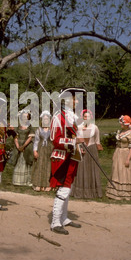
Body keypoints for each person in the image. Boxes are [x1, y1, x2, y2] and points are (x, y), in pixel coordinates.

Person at [49, 87, 85, 235]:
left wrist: (78, 144)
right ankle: (55, 222)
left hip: (72, 157)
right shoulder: (58, 117)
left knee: (68, 188)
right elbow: (55, 139)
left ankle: (63, 218)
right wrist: (73, 141)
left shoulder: (72, 117)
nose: (77, 101)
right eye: (74, 99)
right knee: (63, 189)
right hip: (62, 157)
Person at [71, 109, 103, 199]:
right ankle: (80, 192)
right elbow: (76, 140)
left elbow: (97, 140)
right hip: (82, 149)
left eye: (88, 116)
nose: (86, 118)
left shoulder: (95, 127)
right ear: (83, 117)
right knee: (81, 170)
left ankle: (93, 191)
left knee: (91, 169)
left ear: (91, 117)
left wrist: (98, 148)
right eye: (85, 116)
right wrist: (79, 149)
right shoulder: (79, 127)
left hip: (92, 149)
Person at [106, 115, 131, 200]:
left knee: (125, 172)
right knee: (117, 171)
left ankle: (126, 193)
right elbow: (117, 144)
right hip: (118, 153)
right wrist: (114, 154)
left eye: (123, 123)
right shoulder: (120, 132)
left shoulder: (130, 134)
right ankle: (115, 192)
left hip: (126, 153)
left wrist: (128, 158)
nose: (121, 124)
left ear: (127, 124)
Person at [9, 110, 35, 186]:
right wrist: (18, 146)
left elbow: (30, 138)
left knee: (26, 161)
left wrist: (23, 146)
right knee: (18, 161)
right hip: (19, 147)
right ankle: (17, 181)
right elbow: (15, 137)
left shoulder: (30, 127)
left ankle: (26, 181)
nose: (25, 118)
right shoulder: (18, 127)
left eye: (26, 117)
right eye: (23, 117)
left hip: (27, 147)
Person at [31, 111, 53, 192]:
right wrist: (35, 151)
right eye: (44, 119)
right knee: (39, 166)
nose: (46, 120)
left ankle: (47, 184)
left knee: (48, 166)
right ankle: (38, 184)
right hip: (41, 149)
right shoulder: (39, 129)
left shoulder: (52, 129)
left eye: (47, 119)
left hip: (49, 149)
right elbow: (36, 141)